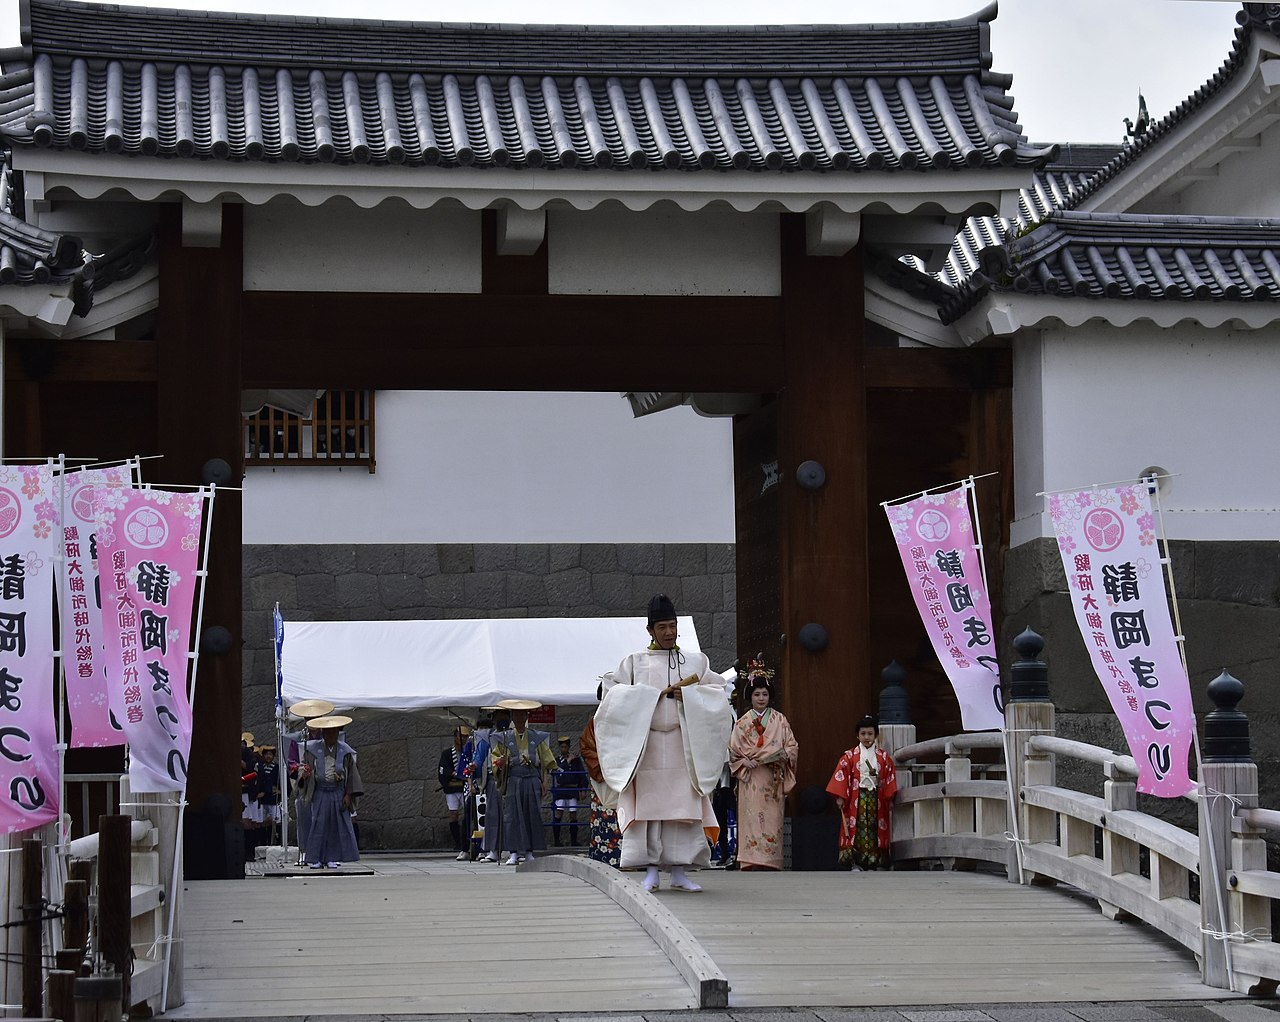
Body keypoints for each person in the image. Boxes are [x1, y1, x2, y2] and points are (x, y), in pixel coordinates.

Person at [595, 594, 733, 893]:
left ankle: (680, 871)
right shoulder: (634, 662)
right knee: (650, 813)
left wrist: (692, 698)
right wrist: (648, 695)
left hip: (684, 746)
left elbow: (719, 693)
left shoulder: (696, 661)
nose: (669, 632)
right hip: (648, 748)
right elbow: (612, 693)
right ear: (650, 630)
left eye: (672, 626)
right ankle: (651, 870)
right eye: (662, 627)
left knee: (682, 812)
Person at [728, 658, 798, 871]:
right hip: (751, 778)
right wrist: (743, 761)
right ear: (750, 697)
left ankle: (771, 861)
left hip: (772, 777)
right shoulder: (742, 723)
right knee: (752, 819)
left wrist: (785, 754)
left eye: (765, 694)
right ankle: (750, 860)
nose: (761, 698)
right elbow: (733, 751)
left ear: (770, 697)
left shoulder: (780, 720)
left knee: (771, 819)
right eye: (757, 694)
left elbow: (792, 745)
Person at [825, 714, 899, 871]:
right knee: (857, 828)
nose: (867, 737)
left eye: (870, 734)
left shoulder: (884, 757)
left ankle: (875, 861)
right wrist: (840, 796)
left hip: (876, 797)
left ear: (876, 735)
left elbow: (889, 778)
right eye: (863, 734)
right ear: (857, 735)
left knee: (874, 828)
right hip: (855, 798)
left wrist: (889, 798)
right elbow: (841, 776)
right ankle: (856, 862)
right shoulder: (849, 756)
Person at [489, 699, 556, 865]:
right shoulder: (504, 738)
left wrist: (545, 781)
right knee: (512, 816)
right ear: (512, 716)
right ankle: (513, 852)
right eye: (516, 715)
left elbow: (546, 762)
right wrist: (501, 762)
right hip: (514, 779)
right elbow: (495, 760)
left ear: (526, 716)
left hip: (532, 779)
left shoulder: (536, 737)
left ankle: (528, 851)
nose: (519, 718)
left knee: (531, 815)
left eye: (522, 715)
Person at [298, 715, 363, 869]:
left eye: (334, 732)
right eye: (327, 732)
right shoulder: (312, 749)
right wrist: (304, 773)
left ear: (337, 733)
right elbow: (303, 767)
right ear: (323, 733)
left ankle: (332, 857)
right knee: (318, 824)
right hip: (320, 791)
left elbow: (352, 775)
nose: (331, 735)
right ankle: (316, 858)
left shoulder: (345, 751)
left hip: (338, 792)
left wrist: (348, 794)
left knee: (336, 825)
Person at [579, 680, 621, 868]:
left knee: (623, 815)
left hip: (622, 774)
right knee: (604, 814)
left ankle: (625, 856)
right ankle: (603, 855)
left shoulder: (624, 720)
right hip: (603, 777)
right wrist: (604, 763)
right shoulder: (594, 722)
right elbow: (586, 747)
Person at [438, 725, 470, 859]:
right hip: (451, 787)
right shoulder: (447, 753)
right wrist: (452, 773)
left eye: (465, 737)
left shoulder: (468, 752)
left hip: (464, 786)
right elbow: (442, 769)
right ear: (455, 737)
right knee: (453, 814)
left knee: (468, 813)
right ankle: (458, 842)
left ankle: (466, 842)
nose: (463, 739)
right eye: (461, 736)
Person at [550, 736, 586, 846]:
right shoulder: (557, 761)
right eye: (562, 747)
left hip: (572, 789)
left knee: (573, 814)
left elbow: (582, 774)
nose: (563, 749)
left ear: (569, 747)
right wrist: (566, 762)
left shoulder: (576, 760)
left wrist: (583, 788)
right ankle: (556, 841)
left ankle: (574, 841)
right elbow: (559, 774)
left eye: (565, 747)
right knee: (558, 813)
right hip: (561, 789)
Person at [254, 745, 282, 845]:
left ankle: (279, 842)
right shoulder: (259, 767)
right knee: (262, 821)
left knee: (277, 821)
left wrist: (280, 791)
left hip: (273, 798)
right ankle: (262, 843)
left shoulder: (278, 767)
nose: (268, 756)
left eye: (270, 754)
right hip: (262, 798)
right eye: (266, 754)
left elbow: (284, 781)